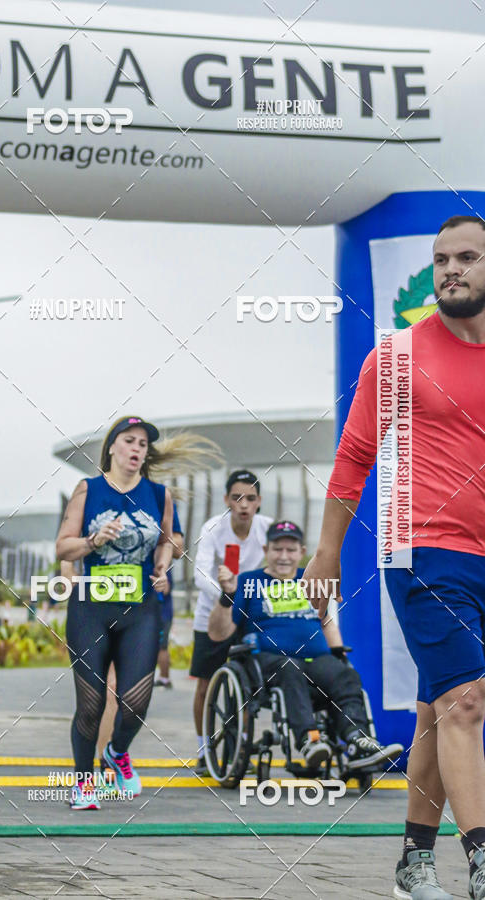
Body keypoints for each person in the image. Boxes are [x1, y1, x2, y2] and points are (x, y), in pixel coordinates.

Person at [303, 216, 485, 900]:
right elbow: (354, 456)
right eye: (441, 259)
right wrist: (327, 553)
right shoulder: (398, 354)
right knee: (466, 701)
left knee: (438, 708)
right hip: (422, 551)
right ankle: (482, 860)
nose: (451, 270)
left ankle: (414, 861)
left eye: (467, 257)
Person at [56, 416, 218, 809]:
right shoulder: (88, 489)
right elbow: (63, 547)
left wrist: (162, 565)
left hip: (140, 609)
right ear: (112, 447)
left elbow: (169, 540)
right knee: (91, 703)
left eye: (143, 444)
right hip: (91, 607)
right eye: (129, 441)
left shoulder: (159, 494)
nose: (137, 449)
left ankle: (116, 751)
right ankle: (84, 784)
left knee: (135, 703)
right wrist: (93, 540)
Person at [215, 520, 403, 769]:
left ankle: (357, 740)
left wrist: (339, 654)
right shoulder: (249, 582)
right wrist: (227, 595)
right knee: (289, 668)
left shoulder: (311, 578)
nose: (284, 556)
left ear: (302, 552)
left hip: (315, 660)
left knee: (345, 675)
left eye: (290, 550)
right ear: (266, 550)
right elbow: (219, 633)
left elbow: (326, 621)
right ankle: (309, 740)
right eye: (277, 549)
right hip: (270, 662)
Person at [191, 469, 271, 775]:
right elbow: (200, 574)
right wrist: (227, 594)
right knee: (205, 684)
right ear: (226, 500)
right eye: (237, 497)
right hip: (212, 613)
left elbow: (280, 567)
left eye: (250, 498)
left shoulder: (267, 528)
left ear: (259, 501)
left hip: (248, 615)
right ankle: (204, 749)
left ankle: (241, 750)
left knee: (246, 685)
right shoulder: (213, 527)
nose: (243, 504)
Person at [155, 505, 185, 689]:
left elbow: (165, 589)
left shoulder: (162, 565)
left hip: (162, 611)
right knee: (160, 646)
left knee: (161, 646)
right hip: (161, 610)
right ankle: (163, 677)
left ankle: (165, 678)